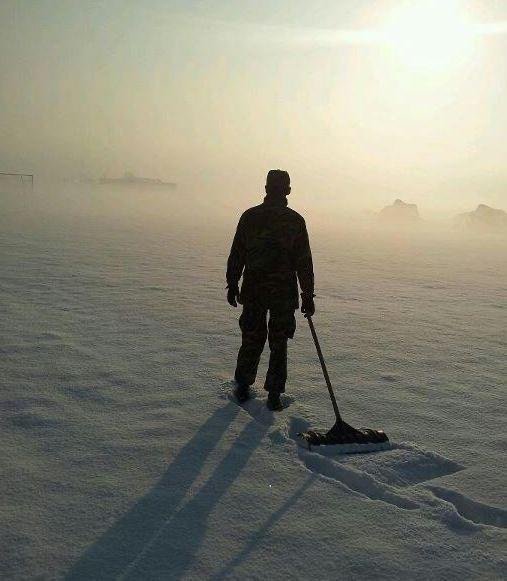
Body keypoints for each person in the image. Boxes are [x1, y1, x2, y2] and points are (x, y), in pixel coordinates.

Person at [226, 169, 315, 410]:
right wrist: (307, 294)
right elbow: (303, 262)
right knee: (278, 342)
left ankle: (244, 385)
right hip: (282, 293)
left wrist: (232, 283)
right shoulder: (295, 221)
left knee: (252, 338)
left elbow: (237, 254)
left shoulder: (250, 217)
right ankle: (274, 392)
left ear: (266, 189)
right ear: (287, 190)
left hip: (255, 289)